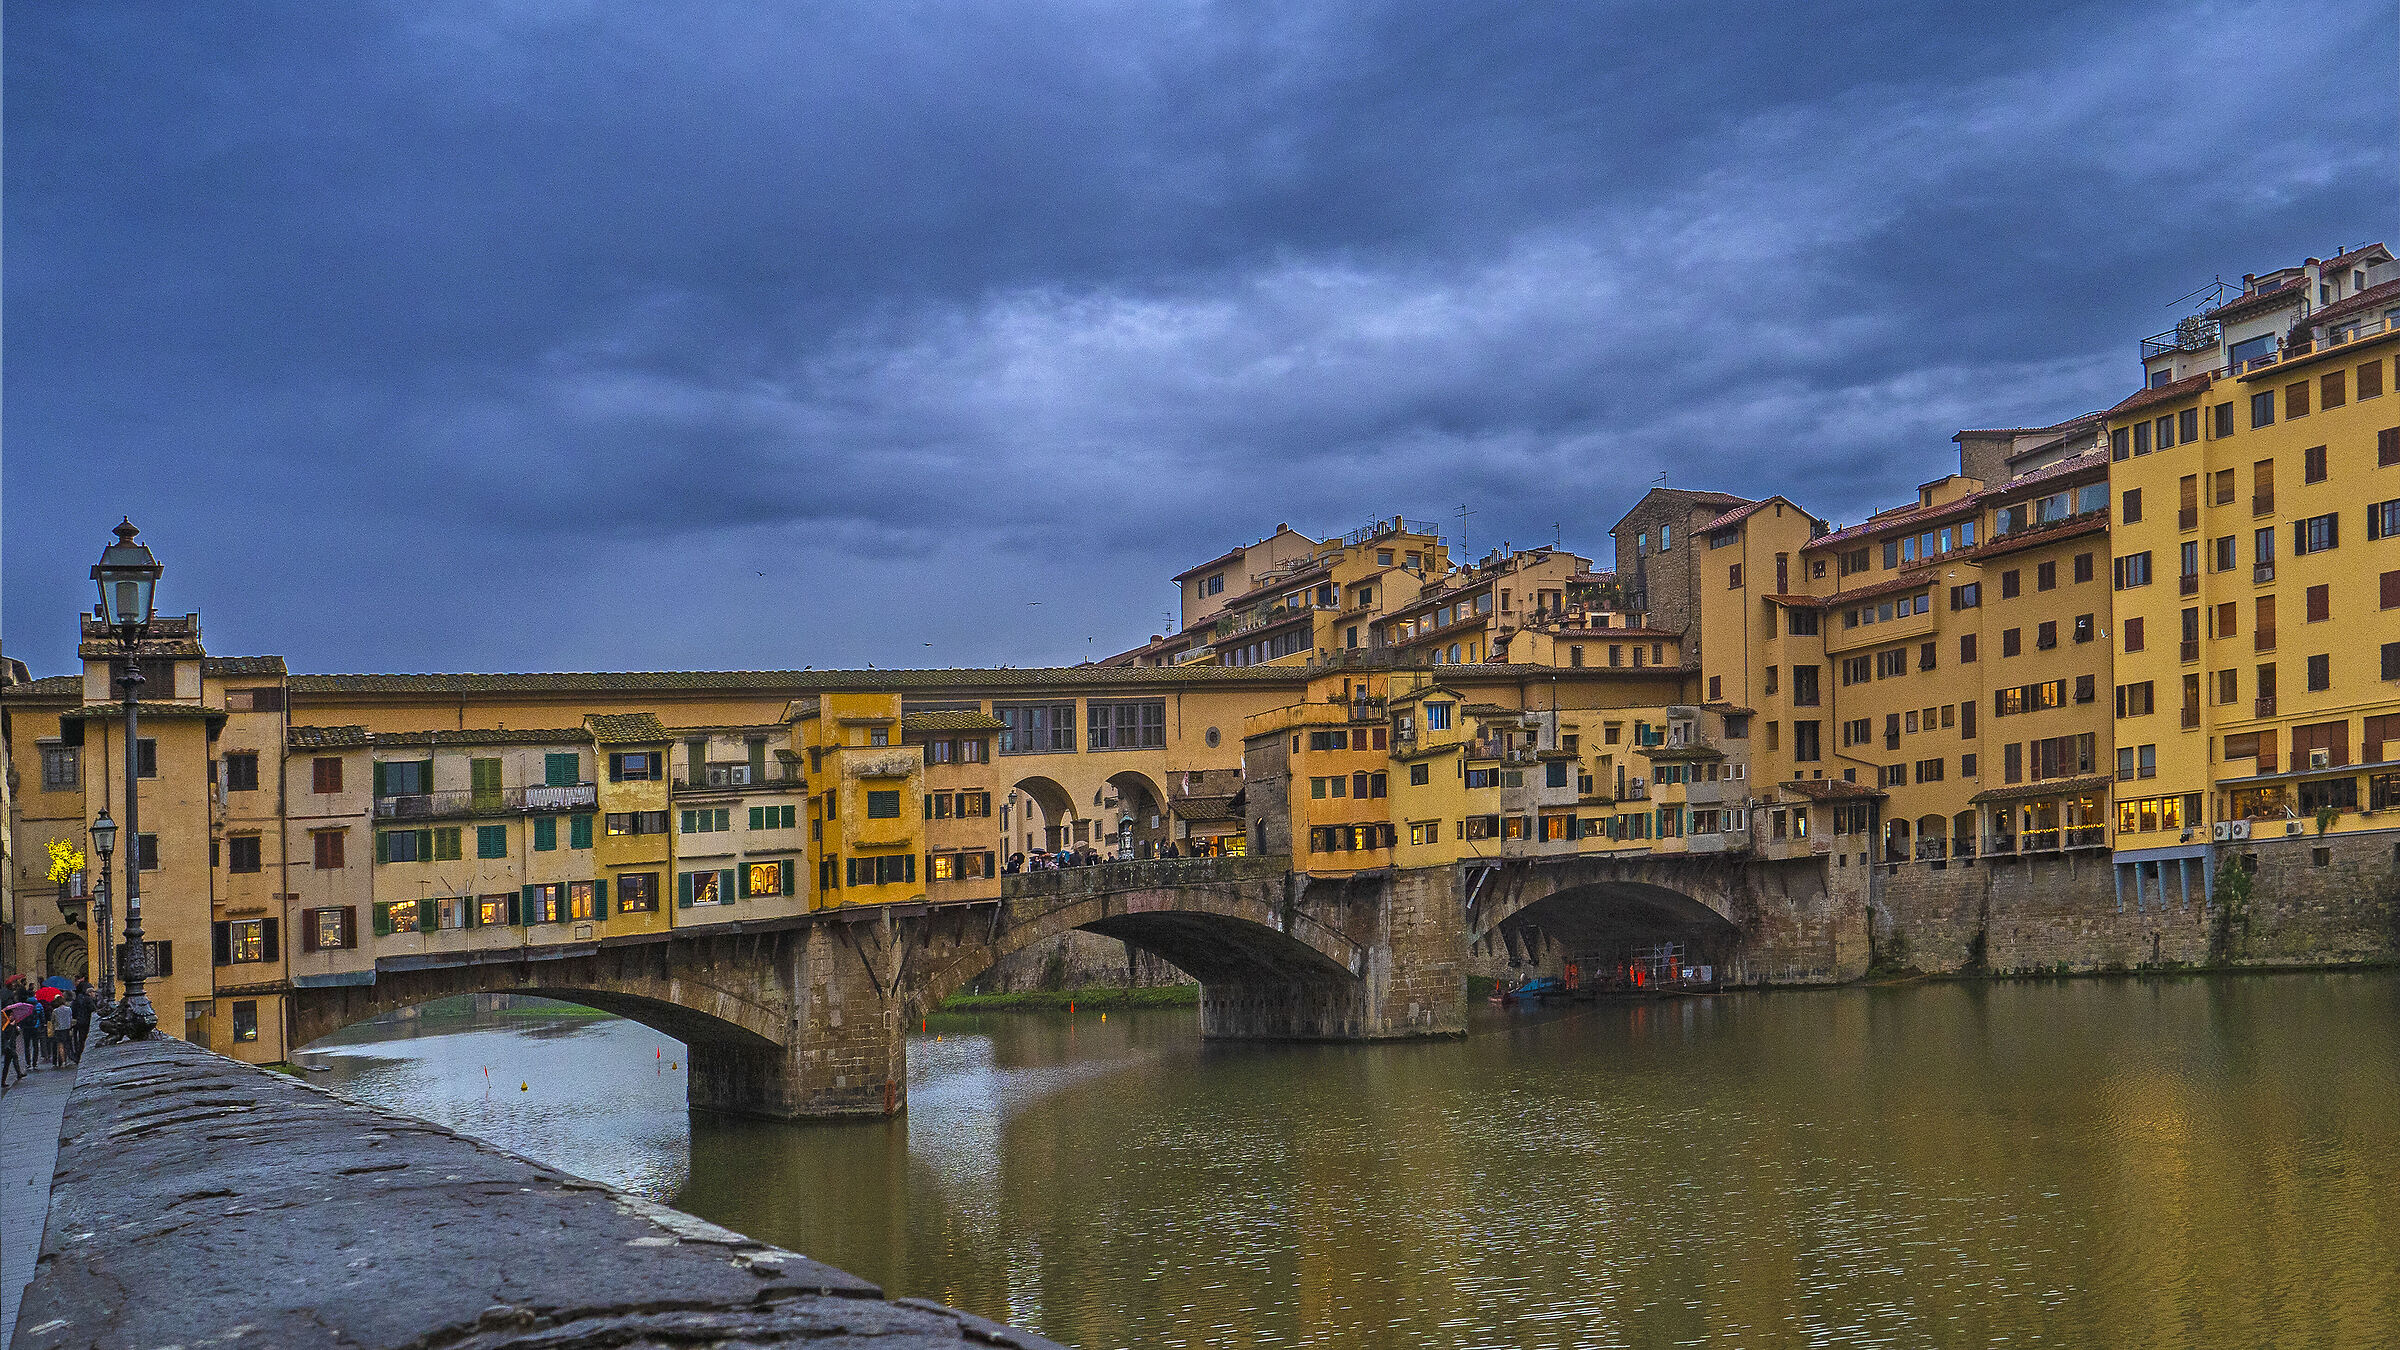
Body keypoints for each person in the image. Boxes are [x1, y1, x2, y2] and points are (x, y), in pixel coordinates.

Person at [72, 980, 95, 1062]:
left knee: (80, 1038)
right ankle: (82, 1053)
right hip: (86, 1020)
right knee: (84, 1038)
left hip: (79, 1020)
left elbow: (74, 1009)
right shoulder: (88, 1000)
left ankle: (78, 1054)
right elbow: (93, 1009)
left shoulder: (78, 998)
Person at [49, 996, 75, 1068]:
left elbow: (53, 1020)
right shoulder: (68, 1009)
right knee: (67, 1044)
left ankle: (63, 1061)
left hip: (58, 1030)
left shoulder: (55, 1011)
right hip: (67, 1029)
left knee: (60, 1045)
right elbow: (70, 1018)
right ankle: (68, 1059)